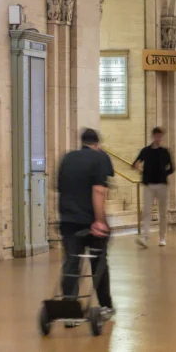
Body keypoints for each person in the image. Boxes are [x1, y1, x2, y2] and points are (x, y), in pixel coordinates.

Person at [57, 128, 115, 321]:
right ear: (96, 144)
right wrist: (99, 221)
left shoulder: (67, 158)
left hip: (67, 220)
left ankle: (69, 312)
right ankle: (105, 306)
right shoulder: (99, 158)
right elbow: (98, 191)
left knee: (72, 263)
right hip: (89, 222)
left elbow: (59, 188)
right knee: (99, 263)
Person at [133, 127, 175, 248]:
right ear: (153, 136)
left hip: (162, 184)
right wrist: (137, 165)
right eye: (156, 136)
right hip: (149, 184)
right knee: (146, 211)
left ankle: (162, 237)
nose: (158, 138)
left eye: (160, 136)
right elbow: (136, 162)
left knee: (163, 212)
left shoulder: (165, 151)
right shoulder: (146, 150)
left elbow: (172, 167)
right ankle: (144, 237)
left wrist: (164, 174)